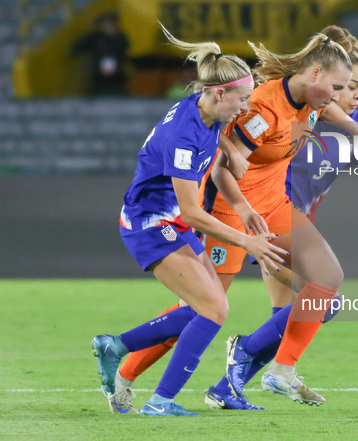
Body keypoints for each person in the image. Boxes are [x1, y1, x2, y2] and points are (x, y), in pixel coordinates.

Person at [110, 26, 358, 412]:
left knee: (327, 284)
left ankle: (279, 369)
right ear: (314, 76)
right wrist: (242, 210)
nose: (343, 97)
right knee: (199, 311)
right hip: (230, 210)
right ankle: (126, 373)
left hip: (275, 207)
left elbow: (335, 110)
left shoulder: (315, 98)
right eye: (339, 87)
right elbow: (223, 167)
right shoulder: (265, 107)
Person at [91, 29, 287, 417]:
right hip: (149, 223)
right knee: (214, 309)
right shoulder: (184, 136)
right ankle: (159, 401)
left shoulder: (206, 113)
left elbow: (212, 163)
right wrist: (246, 241)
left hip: (171, 220)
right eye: (243, 99)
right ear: (219, 94)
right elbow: (194, 213)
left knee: (202, 309)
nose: (246, 107)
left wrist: (241, 201)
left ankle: (117, 348)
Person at [71, 13, 130, 96]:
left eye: (112, 23)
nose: (109, 26)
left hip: (117, 80)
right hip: (98, 80)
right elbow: (75, 50)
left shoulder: (120, 37)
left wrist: (114, 35)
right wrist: (89, 32)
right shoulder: (94, 37)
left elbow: (126, 48)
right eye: (106, 23)